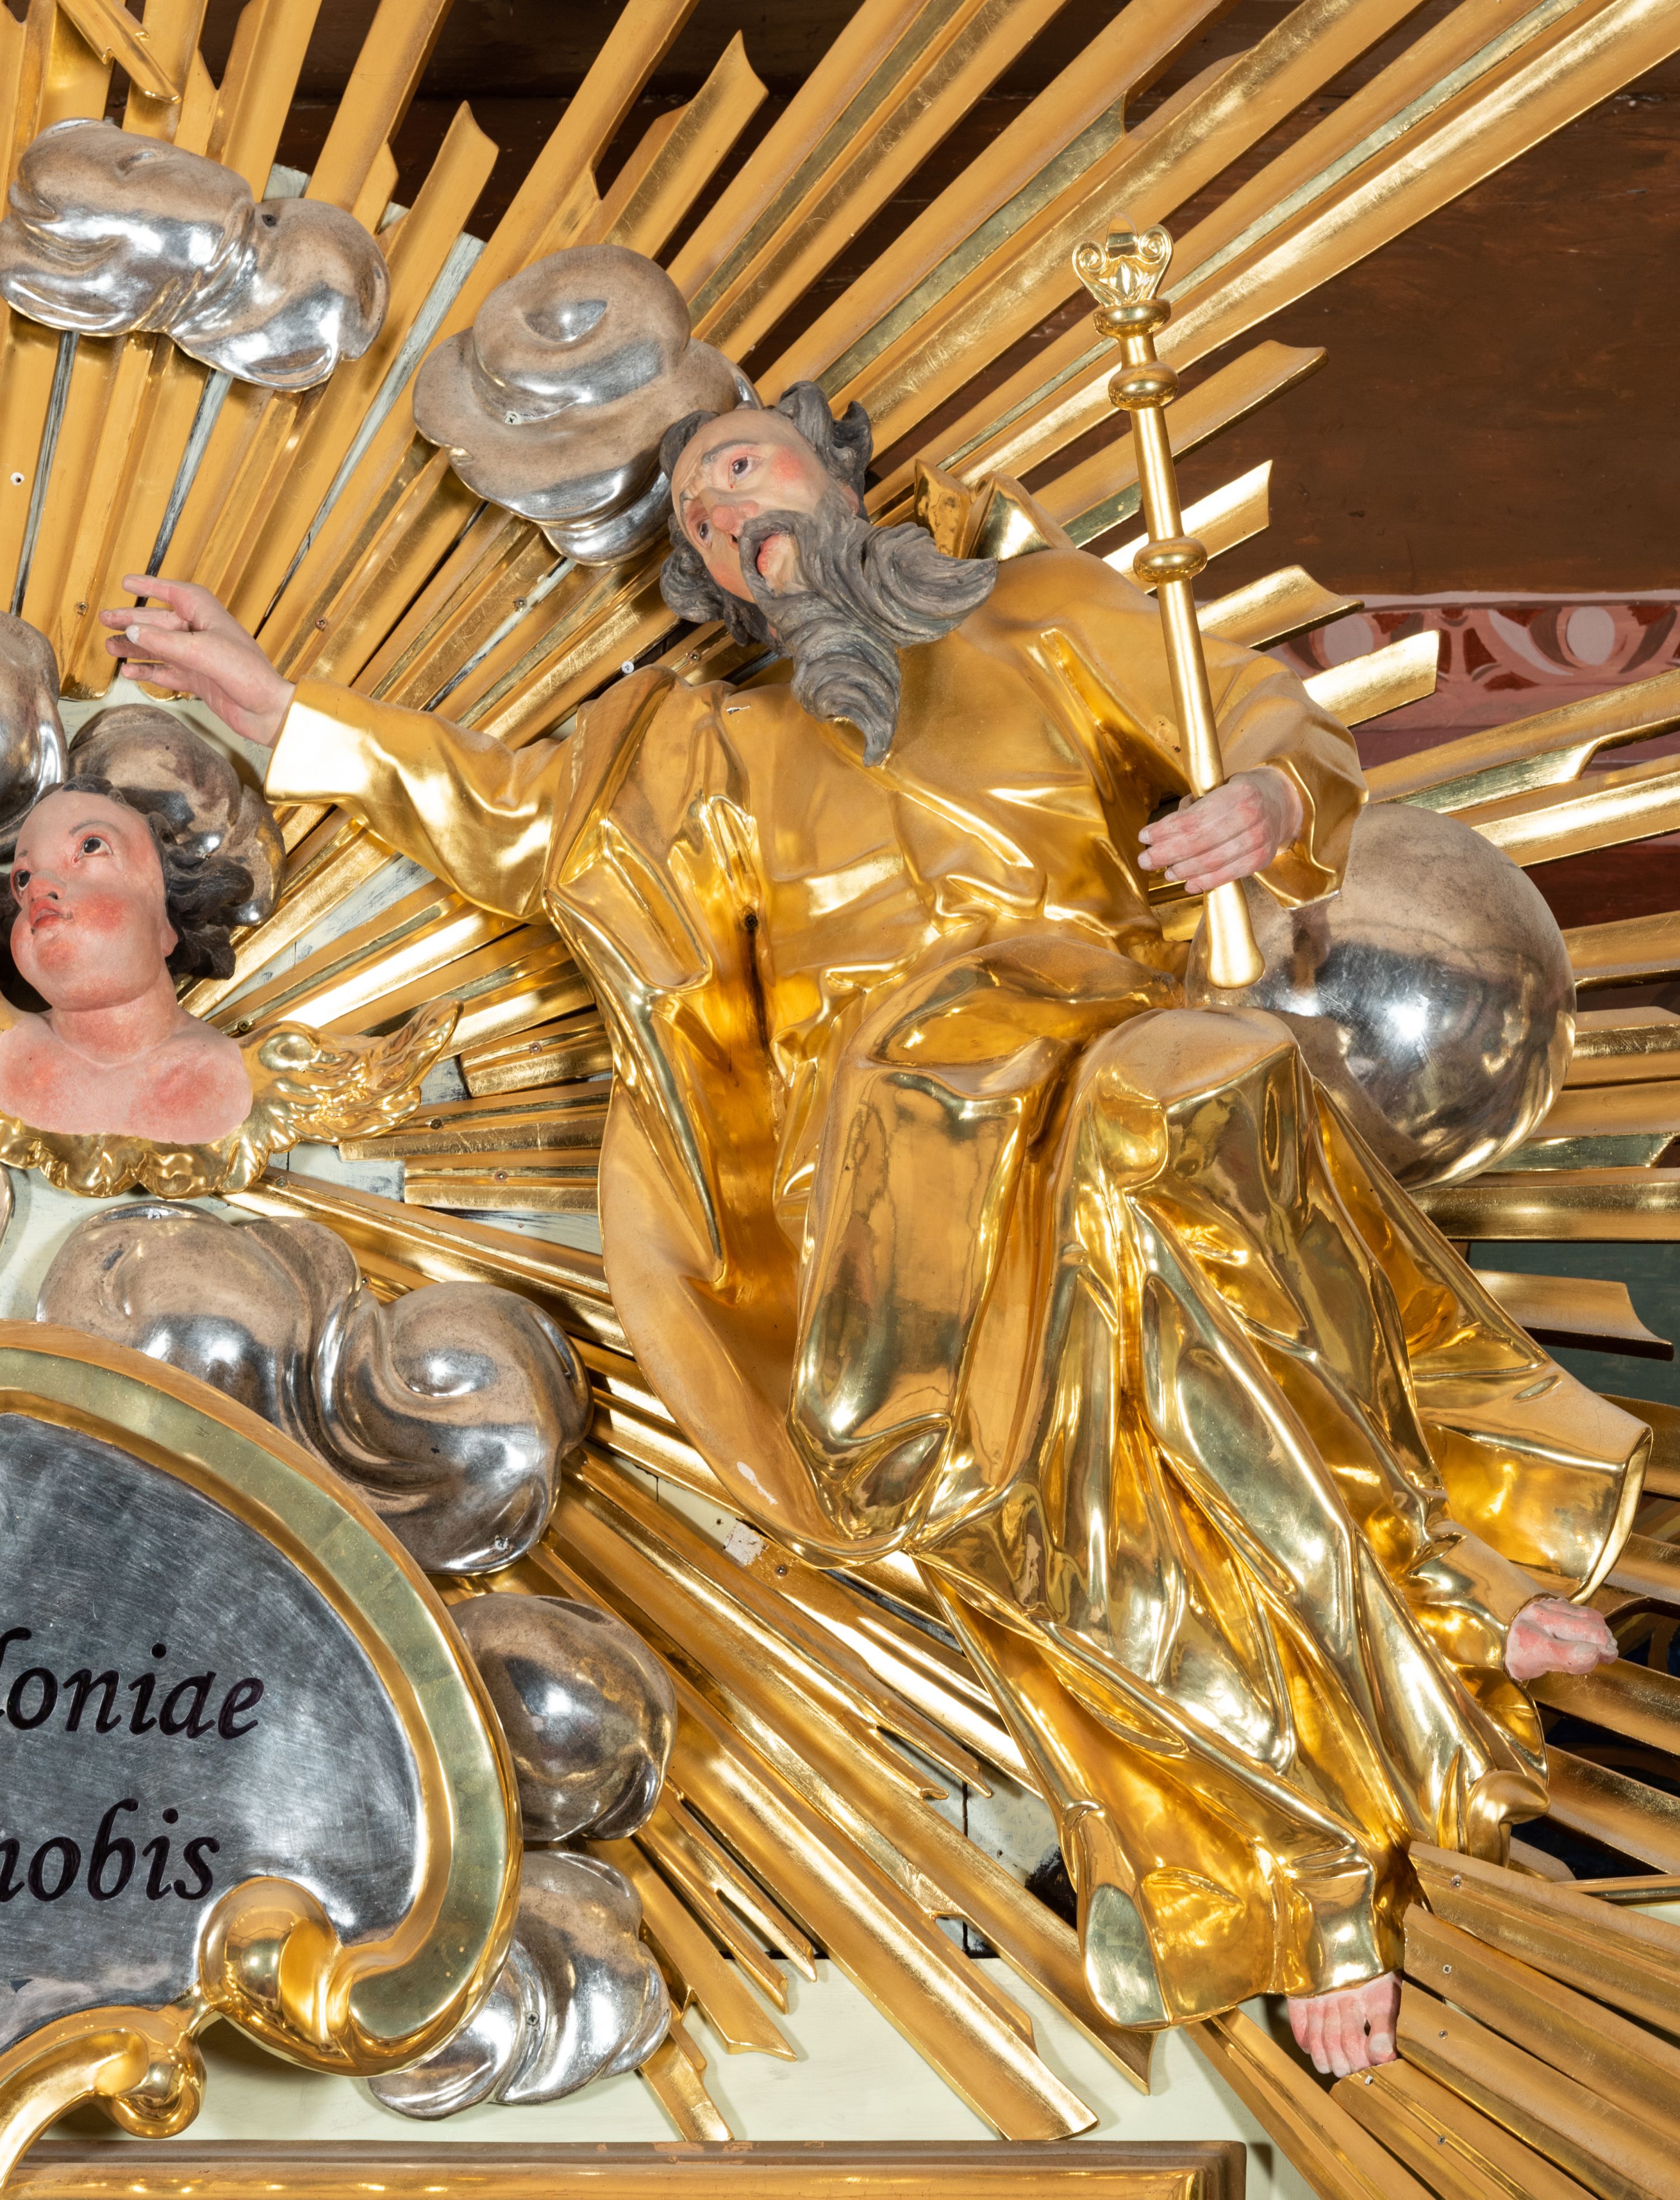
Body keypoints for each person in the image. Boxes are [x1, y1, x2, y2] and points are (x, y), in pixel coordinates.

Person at [102, 382, 1632, 2081]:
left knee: (1180, 1117)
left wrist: (1267, 804)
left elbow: (1259, 712)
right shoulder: (699, 749)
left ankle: (1423, 1589)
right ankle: (1309, 1822)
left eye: (739, 466)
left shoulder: (1046, 615)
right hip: (893, 1171)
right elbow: (518, 821)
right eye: (694, 517)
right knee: (1068, 1519)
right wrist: (280, 707)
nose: (722, 515)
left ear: (838, 475)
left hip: (1097, 1037)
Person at [0, 776, 254, 1143]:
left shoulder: (247, 1073)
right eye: (23, 879)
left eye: (90, 846)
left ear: (166, 920)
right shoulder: (7, 1048)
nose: (38, 886)